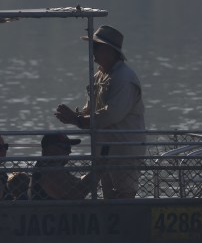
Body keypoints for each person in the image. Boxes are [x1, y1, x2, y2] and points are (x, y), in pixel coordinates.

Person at [54, 25, 145, 199]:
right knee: (108, 196)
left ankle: (125, 224)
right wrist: (76, 115)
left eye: (95, 46)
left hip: (123, 151)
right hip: (104, 150)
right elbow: (91, 109)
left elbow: (110, 115)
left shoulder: (124, 78)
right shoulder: (99, 76)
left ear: (109, 50)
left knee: (124, 194)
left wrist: (77, 120)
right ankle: (112, 225)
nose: (91, 51)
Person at [29, 133, 93, 200]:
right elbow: (75, 195)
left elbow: (76, 182)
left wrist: (86, 177)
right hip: (51, 210)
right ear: (51, 148)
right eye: (66, 147)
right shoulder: (50, 170)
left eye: (69, 147)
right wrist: (97, 172)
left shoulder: (47, 166)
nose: (69, 151)